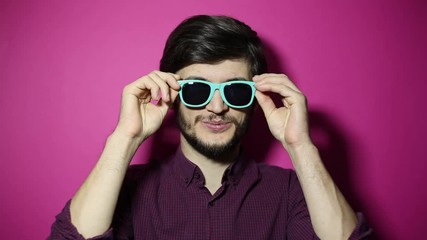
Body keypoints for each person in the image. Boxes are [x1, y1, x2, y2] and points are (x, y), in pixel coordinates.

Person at [49, 15, 372, 239]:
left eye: (235, 90)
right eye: (197, 89)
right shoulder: (126, 189)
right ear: (173, 95)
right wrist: (125, 138)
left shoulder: (292, 191)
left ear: (257, 96)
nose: (217, 108)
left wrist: (300, 146)